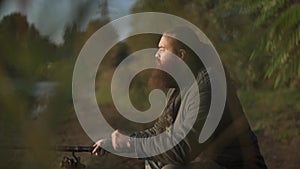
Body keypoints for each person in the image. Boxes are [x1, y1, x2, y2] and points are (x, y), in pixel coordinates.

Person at [92, 27, 268, 169]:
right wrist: (119, 141)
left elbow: (182, 150)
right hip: (211, 163)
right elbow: (158, 132)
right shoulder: (179, 86)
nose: (156, 54)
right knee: (153, 161)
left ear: (181, 55)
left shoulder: (209, 85)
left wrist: (130, 145)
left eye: (162, 49)